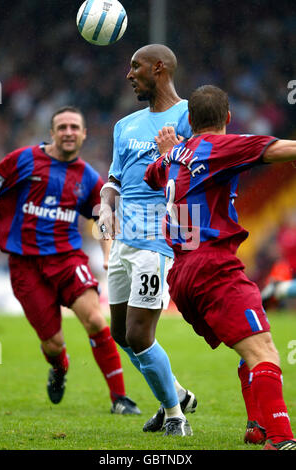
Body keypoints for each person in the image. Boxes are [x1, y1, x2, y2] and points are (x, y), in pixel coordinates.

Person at [144, 85, 296, 450]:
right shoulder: (222, 146)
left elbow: (153, 176)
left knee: (251, 348)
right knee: (265, 353)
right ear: (227, 119)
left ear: (191, 120)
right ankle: (281, 439)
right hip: (213, 265)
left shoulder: (174, 156)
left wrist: (167, 153)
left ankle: (258, 427)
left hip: (182, 274)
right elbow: (281, 150)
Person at [0, 106, 140, 416]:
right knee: (53, 343)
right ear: (52, 132)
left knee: (96, 321)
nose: (69, 132)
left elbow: (102, 218)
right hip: (25, 264)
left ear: (84, 134)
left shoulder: (88, 177)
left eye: (75, 127)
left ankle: (120, 399)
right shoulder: (24, 159)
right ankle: (59, 367)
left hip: (67, 258)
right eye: (62, 127)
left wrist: (106, 255)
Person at [98, 44, 197, 436]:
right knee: (120, 333)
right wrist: (106, 203)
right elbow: (114, 179)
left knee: (140, 333)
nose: (129, 74)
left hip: (160, 236)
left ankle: (175, 416)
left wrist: (174, 156)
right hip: (123, 237)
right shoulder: (125, 125)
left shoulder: (190, 115)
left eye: (135, 66)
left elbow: (203, 169)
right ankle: (174, 393)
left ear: (159, 68)